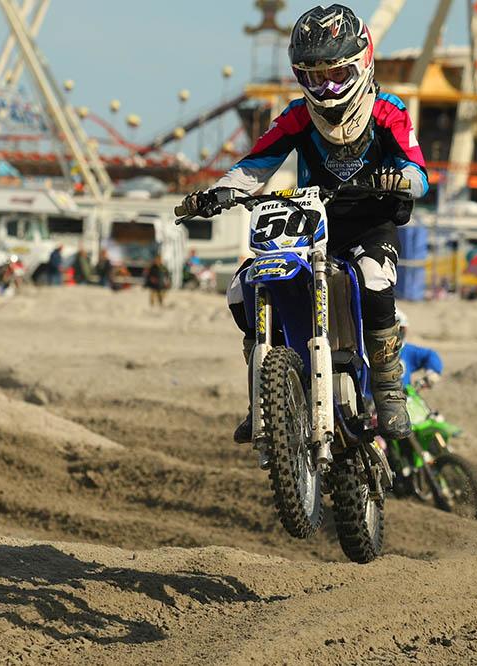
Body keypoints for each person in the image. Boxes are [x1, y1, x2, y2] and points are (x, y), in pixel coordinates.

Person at [180, 4, 429, 451]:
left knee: (374, 279)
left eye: (335, 75)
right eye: (313, 78)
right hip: (312, 224)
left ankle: (390, 393)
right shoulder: (297, 116)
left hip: (371, 223)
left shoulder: (388, 111)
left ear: (362, 63)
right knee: (244, 287)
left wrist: (398, 178)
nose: (326, 88)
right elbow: (256, 165)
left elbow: (418, 171)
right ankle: (267, 395)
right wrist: (218, 192)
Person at [396, 309, 442, 388]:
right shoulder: (369, 353)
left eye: (401, 329)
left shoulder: (406, 351)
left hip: (402, 395)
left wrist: (432, 373)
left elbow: (430, 355)